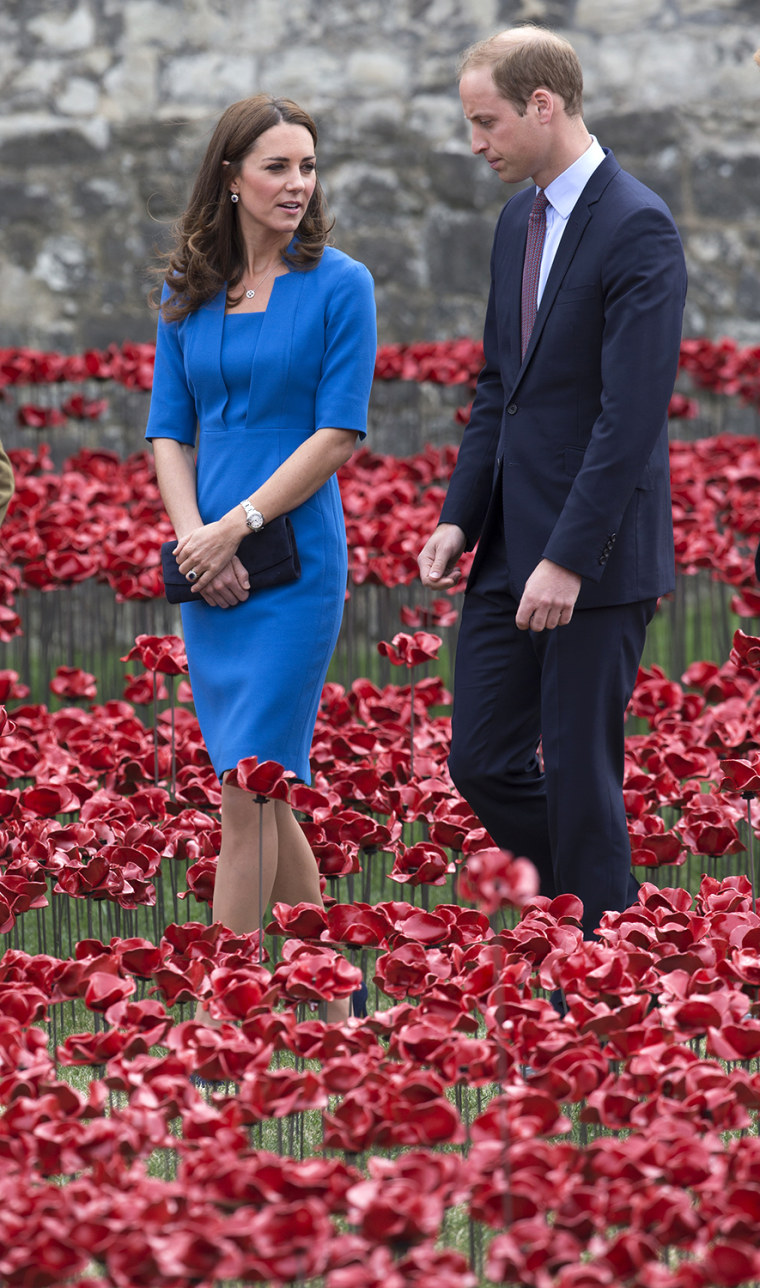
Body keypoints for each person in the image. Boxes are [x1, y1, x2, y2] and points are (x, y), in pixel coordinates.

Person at [418, 26, 687, 941]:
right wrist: (460, 518)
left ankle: (594, 980)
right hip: (504, 547)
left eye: (486, 120)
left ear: (544, 105)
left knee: (580, 772)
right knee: (482, 762)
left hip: (594, 562)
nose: (476, 142)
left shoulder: (638, 224)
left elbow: (631, 416)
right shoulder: (513, 221)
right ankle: (600, 913)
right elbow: (502, 385)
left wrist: (569, 560)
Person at [146, 95, 377, 1021]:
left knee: (245, 789)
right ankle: (339, 1006)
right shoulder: (186, 289)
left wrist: (235, 525)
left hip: (294, 562)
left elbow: (338, 434)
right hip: (211, 562)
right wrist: (195, 541)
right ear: (231, 177)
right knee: (265, 787)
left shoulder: (341, 284)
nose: (297, 185)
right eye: (277, 167)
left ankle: (215, 1025)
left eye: (308, 167)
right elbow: (169, 434)